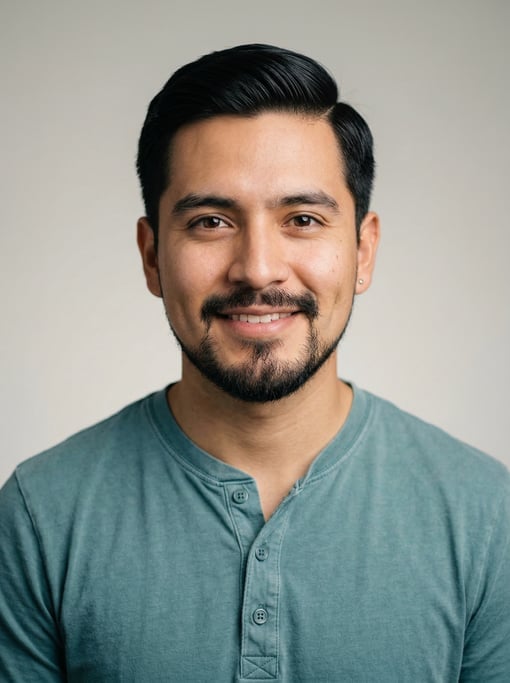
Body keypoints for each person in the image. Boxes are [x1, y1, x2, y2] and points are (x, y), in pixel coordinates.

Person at [0, 44, 509, 682]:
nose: (259, 268)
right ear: (152, 255)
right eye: (212, 221)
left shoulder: (488, 517)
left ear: (363, 250)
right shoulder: (39, 515)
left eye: (302, 219)